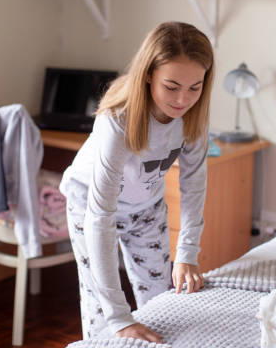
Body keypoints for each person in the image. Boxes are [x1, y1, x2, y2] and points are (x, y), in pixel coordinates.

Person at [60, 21, 214, 343]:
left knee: (160, 300)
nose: (183, 99)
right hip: (92, 205)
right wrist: (119, 317)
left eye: (194, 87)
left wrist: (187, 253)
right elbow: (100, 216)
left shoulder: (192, 118)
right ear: (148, 74)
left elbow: (193, 186)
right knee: (102, 312)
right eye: (171, 87)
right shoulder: (118, 120)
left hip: (147, 206)